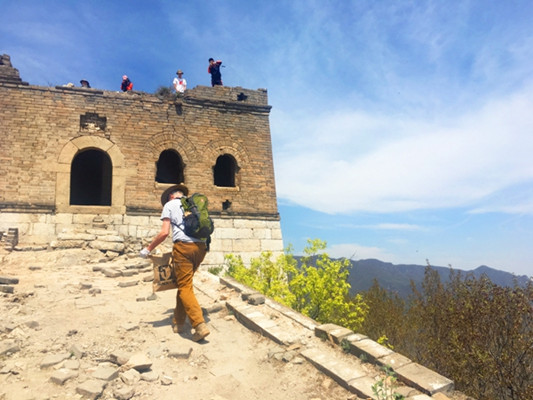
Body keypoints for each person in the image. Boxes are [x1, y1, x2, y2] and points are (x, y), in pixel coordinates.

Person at [140, 184, 210, 342]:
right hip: (201, 248)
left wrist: (148, 249)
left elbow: (164, 232)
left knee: (185, 286)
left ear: (171, 196)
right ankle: (178, 322)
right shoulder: (194, 204)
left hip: (183, 248)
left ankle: (199, 325)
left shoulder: (170, 205)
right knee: (184, 283)